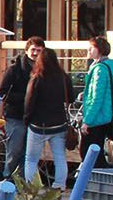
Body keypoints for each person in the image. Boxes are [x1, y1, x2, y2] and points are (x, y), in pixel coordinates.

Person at [23, 39, 76, 189]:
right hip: (59, 123)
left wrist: (26, 120)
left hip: (38, 124)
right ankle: (59, 186)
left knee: (31, 159)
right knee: (60, 157)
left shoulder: (37, 79)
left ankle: (32, 189)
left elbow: (29, 103)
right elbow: (71, 98)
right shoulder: (63, 77)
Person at [78, 35, 113, 162]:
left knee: (88, 152)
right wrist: (85, 93)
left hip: (98, 116)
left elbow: (97, 98)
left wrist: (87, 121)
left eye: (91, 48)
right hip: (108, 113)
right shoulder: (109, 66)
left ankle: (94, 178)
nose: (88, 51)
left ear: (99, 50)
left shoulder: (99, 69)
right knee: (96, 150)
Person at [0, 38, 35, 181]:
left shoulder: (44, 70)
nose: (35, 53)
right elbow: (2, 93)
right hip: (15, 115)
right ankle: (7, 178)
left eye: (39, 51)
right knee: (15, 149)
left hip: (34, 117)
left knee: (29, 153)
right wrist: (26, 97)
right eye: (33, 50)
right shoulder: (14, 69)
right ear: (27, 51)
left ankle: (24, 182)